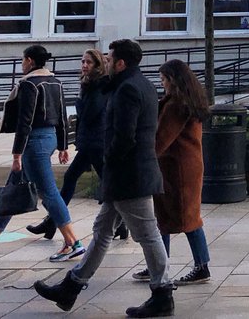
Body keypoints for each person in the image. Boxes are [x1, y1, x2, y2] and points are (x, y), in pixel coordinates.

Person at [33, 39, 174, 318]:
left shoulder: (127, 90)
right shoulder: (141, 84)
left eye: (109, 59)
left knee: (147, 233)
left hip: (129, 176)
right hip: (131, 173)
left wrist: (110, 162)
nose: (106, 62)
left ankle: (163, 293)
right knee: (102, 231)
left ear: (121, 63)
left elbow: (124, 136)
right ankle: (71, 286)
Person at [0, 45, 83, 263]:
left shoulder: (29, 84)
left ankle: (72, 242)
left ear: (29, 60)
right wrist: (63, 146)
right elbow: (63, 115)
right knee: (11, 191)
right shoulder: (56, 81)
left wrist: (16, 154)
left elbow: (24, 122)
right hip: (49, 139)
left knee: (48, 192)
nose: (22, 64)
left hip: (33, 142)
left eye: (23, 60)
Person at [27, 49, 127, 242]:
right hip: (90, 142)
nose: (84, 65)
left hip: (96, 143)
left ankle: (120, 223)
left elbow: (90, 113)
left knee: (104, 182)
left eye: (89, 62)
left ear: (98, 66)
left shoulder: (99, 85)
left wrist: (79, 104)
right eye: (82, 61)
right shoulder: (90, 84)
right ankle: (52, 222)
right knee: (80, 178)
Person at [131, 59, 212, 286]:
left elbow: (161, 138)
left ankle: (201, 266)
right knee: (165, 217)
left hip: (179, 169)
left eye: (163, 79)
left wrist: (142, 157)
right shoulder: (183, 101)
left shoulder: (177, 105)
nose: (162, 84)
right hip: (178, 167)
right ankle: (159, 263)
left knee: (188, 219)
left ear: (173, 80)